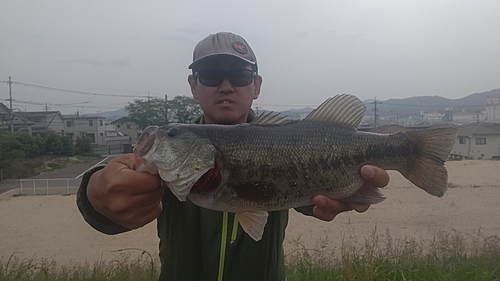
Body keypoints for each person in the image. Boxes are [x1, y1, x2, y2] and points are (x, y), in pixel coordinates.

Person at [77, 31, 389, 281]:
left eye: (240, 75)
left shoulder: (287, 139)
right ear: (193, 85)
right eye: (211, 74)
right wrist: (96, 194)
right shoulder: (168, 158)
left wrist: (347, 193)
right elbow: (110, 185)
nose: (226, 85)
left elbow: (318, 203)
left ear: (256, 86)